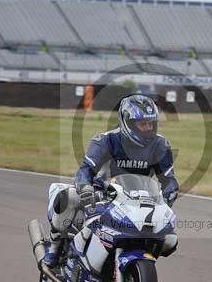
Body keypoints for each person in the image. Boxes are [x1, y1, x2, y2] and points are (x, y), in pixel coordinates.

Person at [43, 94, 179, 267]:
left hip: (139, 200)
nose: (148, 128)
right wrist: (85, 188)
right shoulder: (106, 140)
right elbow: (85, 170)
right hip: (103, 196)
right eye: (142, 124)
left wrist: (167, 197)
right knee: (68, 196)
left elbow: (169, 180)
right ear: (127, 122)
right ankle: (54, 246)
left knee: (169, 240)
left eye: (150, 123)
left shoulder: (160, 145)